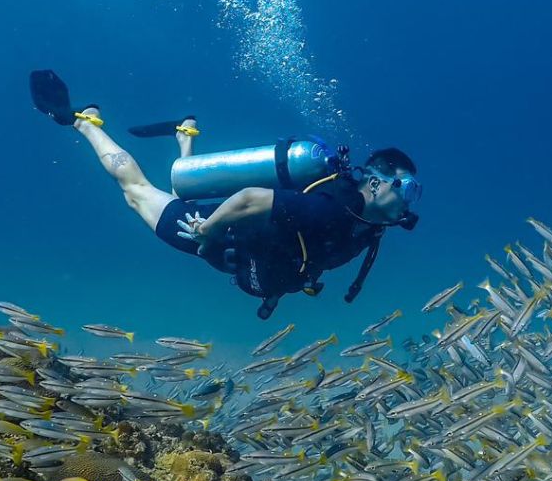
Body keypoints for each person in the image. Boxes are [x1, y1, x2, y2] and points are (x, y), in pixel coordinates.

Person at [30, 70, 421, 319]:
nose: (409, 200)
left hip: (239, 245)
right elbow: (249, 199)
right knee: (136, 191)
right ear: (375, 183)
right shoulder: (331, 211)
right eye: (407, 188)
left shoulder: (367, 224)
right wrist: (206, 232)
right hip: (223, 236)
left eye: (414, 192)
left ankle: (184, 136)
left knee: (174, 198)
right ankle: (83, 122)